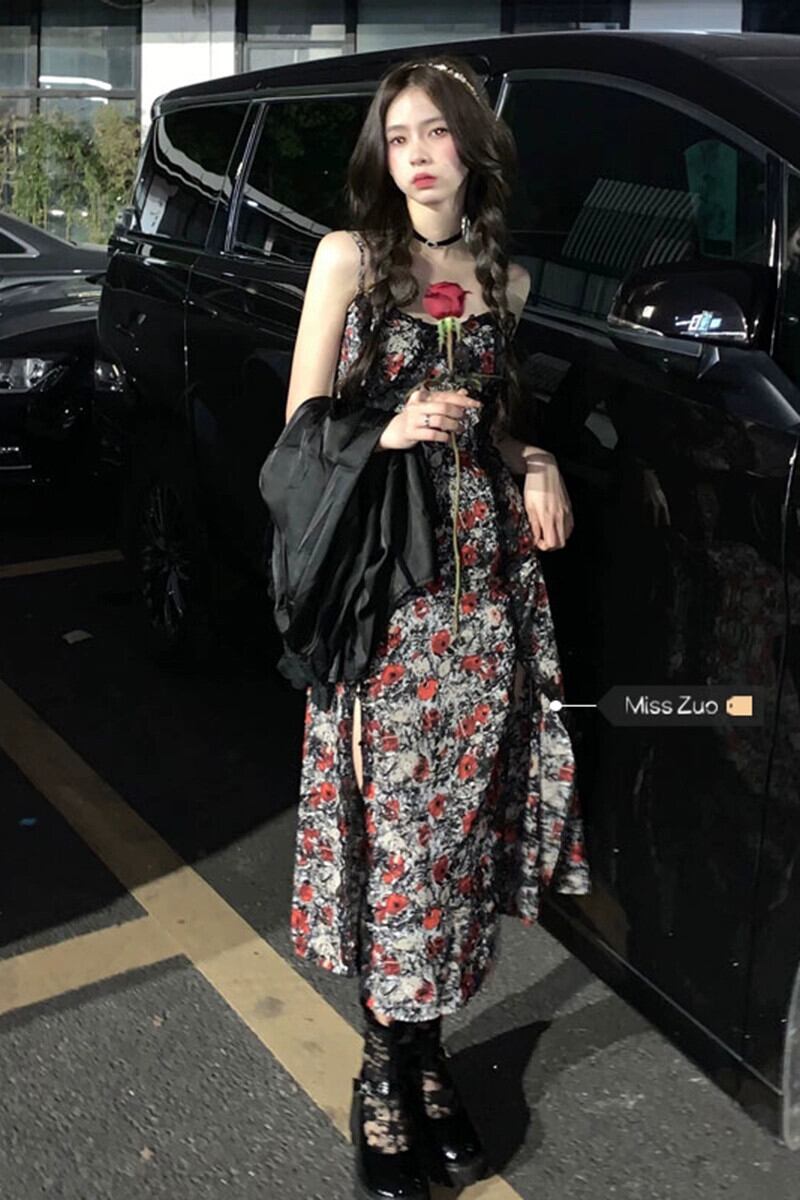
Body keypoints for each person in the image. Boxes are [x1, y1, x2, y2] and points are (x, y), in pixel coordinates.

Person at [283, 54, 592, 1200]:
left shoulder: (503, 278)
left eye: (436, 132)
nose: (416, 153)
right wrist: (388, 425)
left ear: (472, 146)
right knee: (400, 841)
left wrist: (536, 457)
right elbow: (299, 424)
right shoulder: (349, 259)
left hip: (484, 597)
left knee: (456, 839)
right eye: (399, 134)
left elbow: (495, 425)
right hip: (392, 594)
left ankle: (424, 1060)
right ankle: (383, 1072)